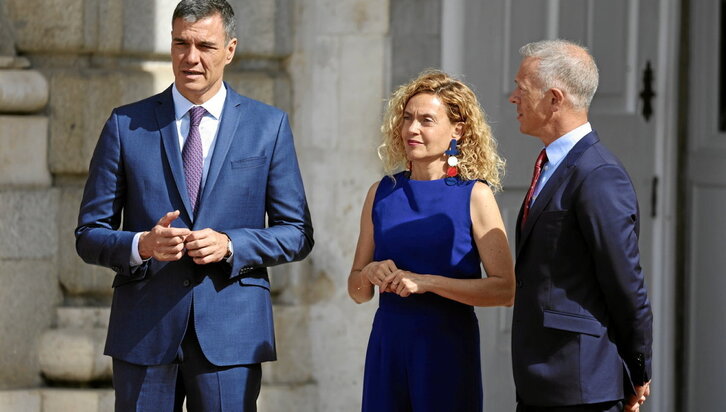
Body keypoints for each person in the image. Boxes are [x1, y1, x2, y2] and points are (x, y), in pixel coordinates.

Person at [75, 0, 314, 410]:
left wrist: (231, 244)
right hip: (144, 334)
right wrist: (142, 246)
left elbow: (297, 233)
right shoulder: (125, 124)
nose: (191, 58)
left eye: (204, 46)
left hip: (231, 334)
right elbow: (88, 234)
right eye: (180, 44)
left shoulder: (268, 126)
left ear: (230, 50)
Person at [347, 69, 516, 412]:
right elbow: (357, 290)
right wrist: (370, 273)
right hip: (388, 346)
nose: (412, 129)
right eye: (407, 118)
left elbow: (505, 290)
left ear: (458, 130)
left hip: (445, 349)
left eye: (426, 120)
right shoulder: (380, 193)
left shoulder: (475, 196)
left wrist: (427, 283)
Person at [508, 39, 653, 412]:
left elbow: (625, 281)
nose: (513, 98)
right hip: (541, 382)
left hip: (580, 386)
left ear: (554, 99)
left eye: (521, 89)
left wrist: (638, 370)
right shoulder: (552, 165)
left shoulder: (598, 174)